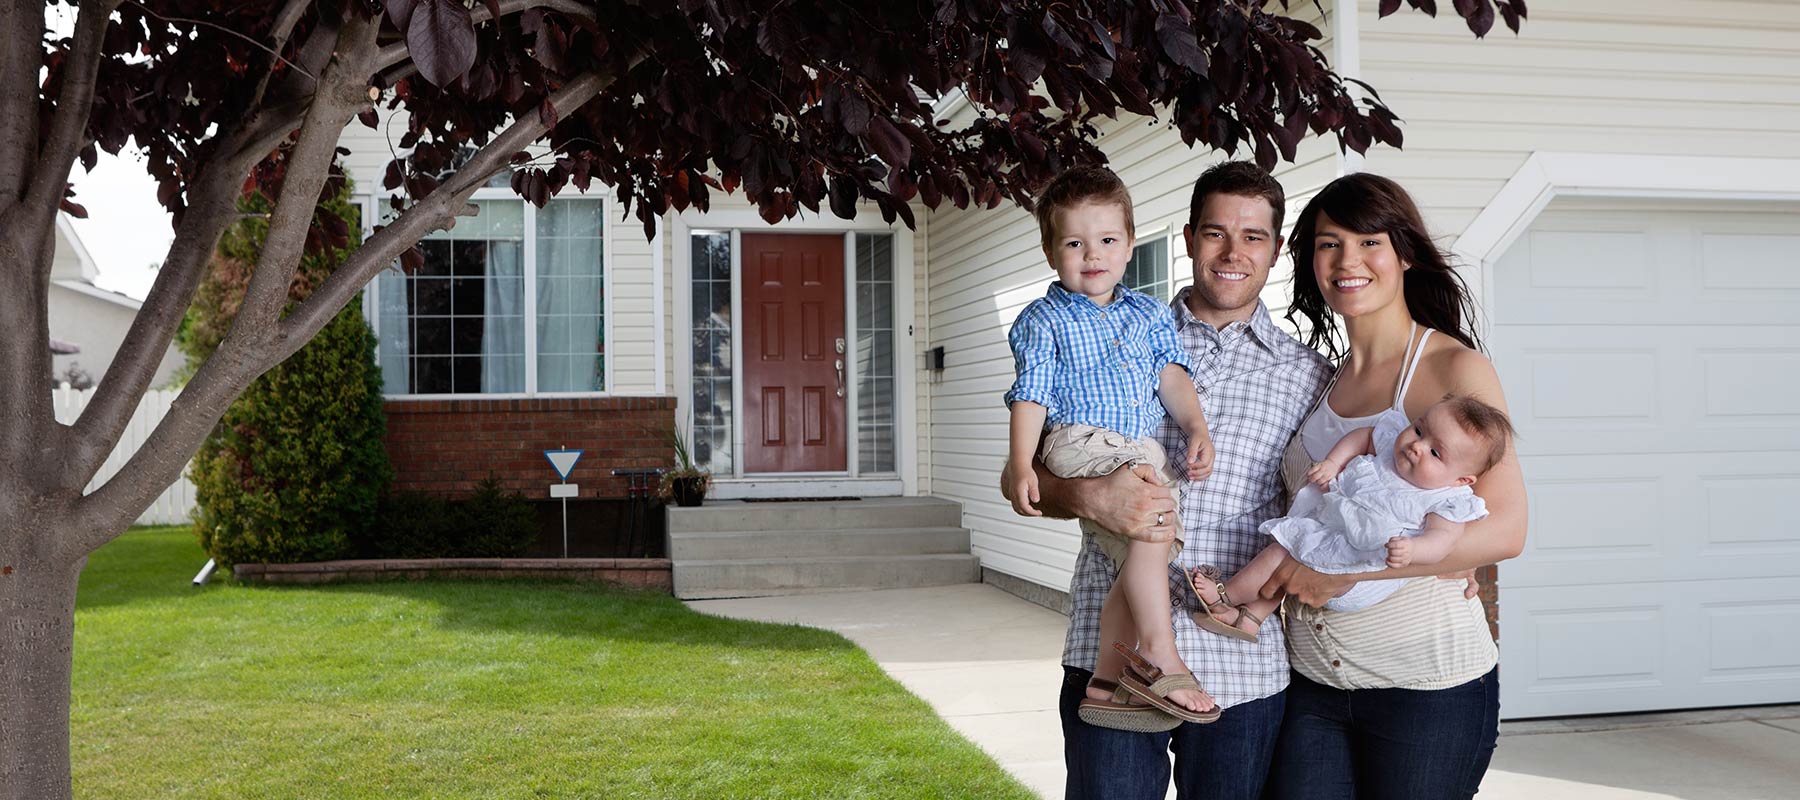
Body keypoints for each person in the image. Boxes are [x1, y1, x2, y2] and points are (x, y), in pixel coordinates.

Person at [1002, 161, 1331, 799]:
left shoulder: (1311, 377)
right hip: (1111, 654)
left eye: (1253, 237)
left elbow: (1320, 507)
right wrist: (1090, 495)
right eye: (1215, 233)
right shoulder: (1111, 328)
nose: (1233, 252)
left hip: (1241, 671)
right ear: (1186, 238)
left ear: (1277, 248)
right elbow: (1023, 477)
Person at [1257, 172, 1529, 800]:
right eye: (1328, 244)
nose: (1347, 260)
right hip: (1312, 687)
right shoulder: (1318, 383)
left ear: (1404, 253)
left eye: (1368, 241)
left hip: (1426, 688)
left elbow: (1508, 529)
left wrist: (1348, 574)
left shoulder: (1453, 369)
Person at [1004, 165, 1218, 728]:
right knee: (1151, 523)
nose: (1091, 254)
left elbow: (1171, 377)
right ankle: (1159, 651)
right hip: (1080, 440)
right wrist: (1020, 461)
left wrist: (1196, 428)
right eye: (1074, 243)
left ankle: (1104, 678)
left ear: (1128, 247)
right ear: (1051, 252)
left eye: (1107, 240)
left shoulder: (1148, 314)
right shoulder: (1044, 319)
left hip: (1138, 447)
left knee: (1146, 547)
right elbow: (1031, 395)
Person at [1189, 395, 1513, 641]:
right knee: (1288, 558)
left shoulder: (1446, 499)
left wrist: (1414, 551)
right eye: (1418, 429)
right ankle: (1248, 619)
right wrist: (1333, 462)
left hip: (1360, 571)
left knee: (1281, 554)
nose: (1416, 446)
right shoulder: (1391, 446)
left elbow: (1443, 542)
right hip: (1333, 535)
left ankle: (1225, 595)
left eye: (1435, 453)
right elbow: (1363, 437)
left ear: (1462, 480)